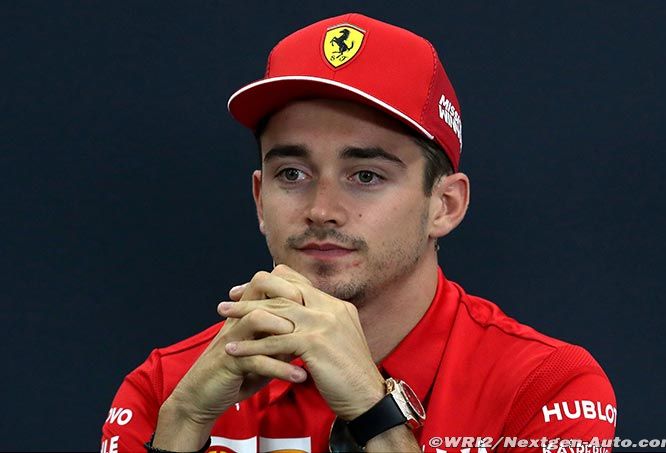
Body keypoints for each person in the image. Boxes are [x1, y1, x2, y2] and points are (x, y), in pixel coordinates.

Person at [101, 13, 616, 453]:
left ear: (445, 205)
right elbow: (177, 411)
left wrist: (373, 410)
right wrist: (184, 423)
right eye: (292, 174)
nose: (321, 210)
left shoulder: (547, 388)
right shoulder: (167, 389)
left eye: (366, 176)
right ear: (259, 199)